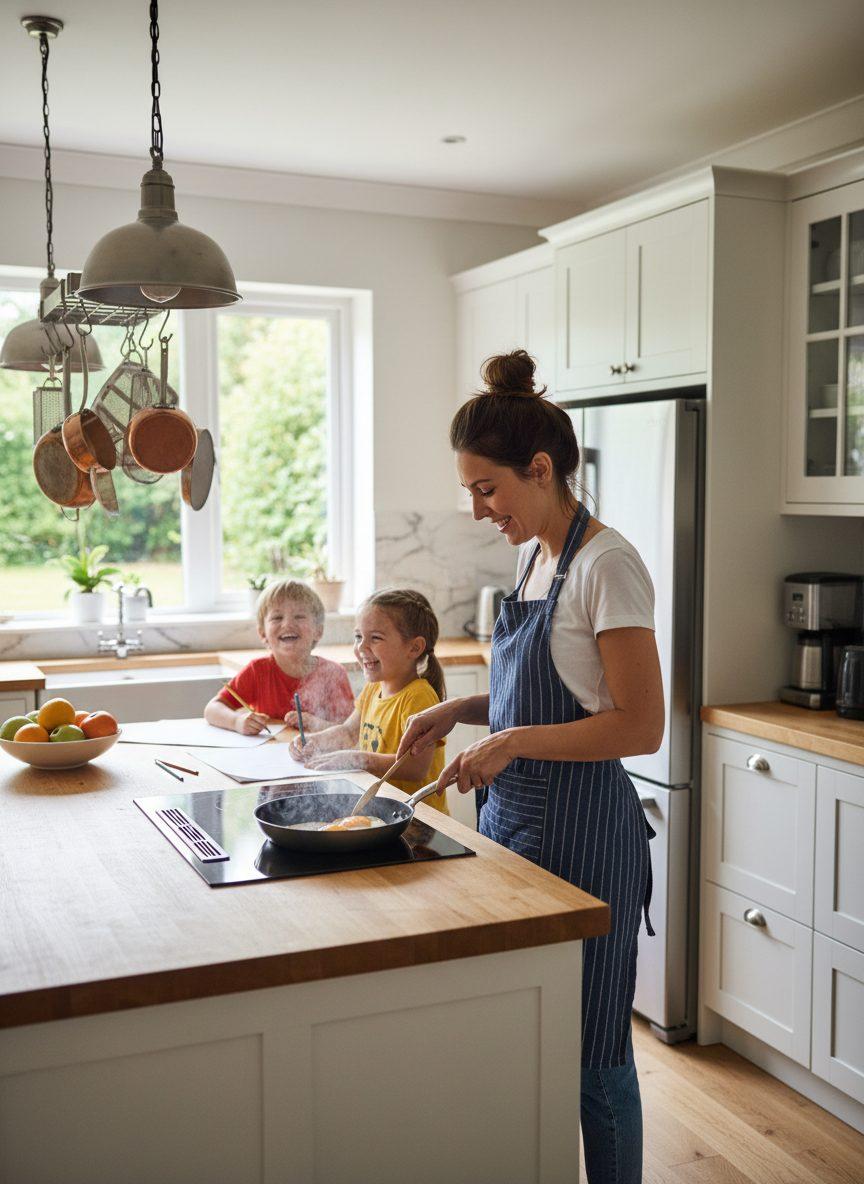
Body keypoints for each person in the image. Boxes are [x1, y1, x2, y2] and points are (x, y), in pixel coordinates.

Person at [396, 350, 663, 1184]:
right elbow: (552, 697)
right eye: (471, 490)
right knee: (536, 1035)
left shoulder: (604, 565)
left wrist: (509, 743)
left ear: (539, 469)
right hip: (517, 827)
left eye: (487, 489)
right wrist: (459, 711)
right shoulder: (536, 556)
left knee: (594, 1054)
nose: (477, 509)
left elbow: (639, 725)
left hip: (585, 838)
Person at [290, 589, 450, 813]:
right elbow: (348, 732)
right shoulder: (374, 688)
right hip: (383, 811)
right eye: (358, 636)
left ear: (414, 647)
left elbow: (416, 768)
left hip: (421, 821)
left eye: (375, 638)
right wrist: (314, 742)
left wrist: (358, 759)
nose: (361, 647)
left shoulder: (419, 697)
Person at [204, 579, 354, 735]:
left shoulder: (333, 674)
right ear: (263, 634)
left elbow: (351, 731)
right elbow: (212, 709)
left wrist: (315, 724)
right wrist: (236, 721)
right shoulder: (257, 671)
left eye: (299, 616)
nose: (288, 624)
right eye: (277, 618)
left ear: (318, 630)